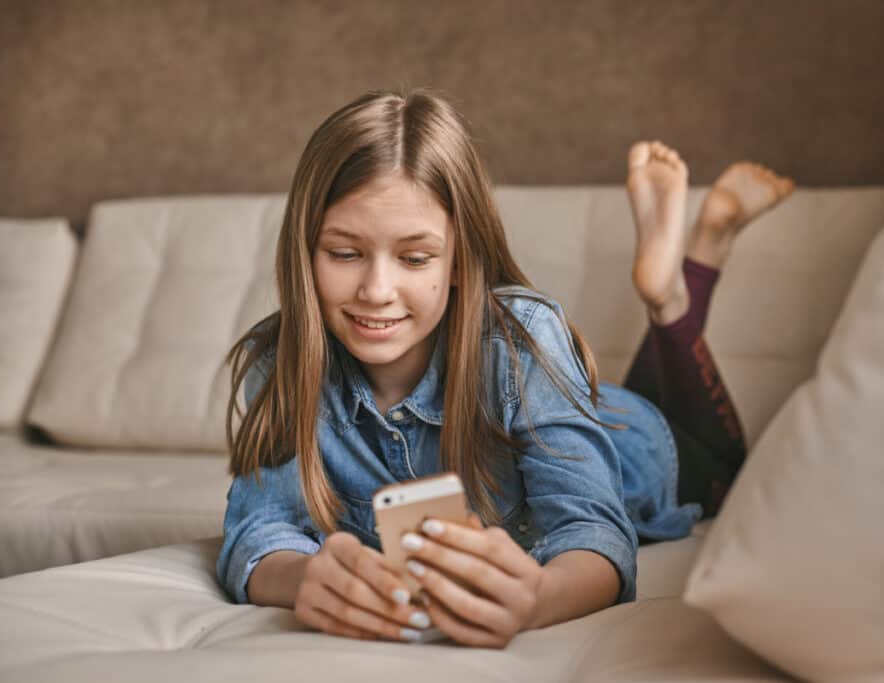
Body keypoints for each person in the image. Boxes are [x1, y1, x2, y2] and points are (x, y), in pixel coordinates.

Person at [216, 89, 793, 649]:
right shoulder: (281, 359)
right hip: (569, 398)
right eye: (344, 253)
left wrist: (538, 598)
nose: (376, 290)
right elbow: (259, 531)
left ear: (463, 259)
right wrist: (301, 578)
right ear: (305, 250)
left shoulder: (521, 339)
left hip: (632, 441)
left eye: (415, 258)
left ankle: (685, 280)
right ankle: (671, 286)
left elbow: (591, 529)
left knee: (725, 469)